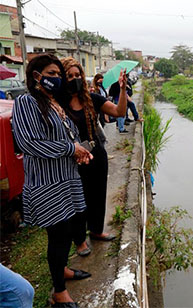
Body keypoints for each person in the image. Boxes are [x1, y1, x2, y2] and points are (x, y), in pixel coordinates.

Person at [12, 54, 92, 308]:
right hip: (48, 184)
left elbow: (69, 137)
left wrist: (80, 150)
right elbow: (29, 143)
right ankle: (59, 292)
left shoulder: (54, 103)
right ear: (36, 76)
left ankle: (63, 269)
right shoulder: (27, 102)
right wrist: (71, 149)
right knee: (57, 236)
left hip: (66, 178)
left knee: (66, 231)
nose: (57, 79)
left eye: (59, 74)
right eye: (51, 74)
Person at [61, 57, 127, 253]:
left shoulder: (92, 99)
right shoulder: (59, 105)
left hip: (96, 154)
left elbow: (119, 111)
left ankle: (97, 230)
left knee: (98, 195)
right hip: (74, 159)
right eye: (70, 76)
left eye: (78, 75)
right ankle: (80, 240)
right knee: (78, 200)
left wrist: (122, 89)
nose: (75, 79)